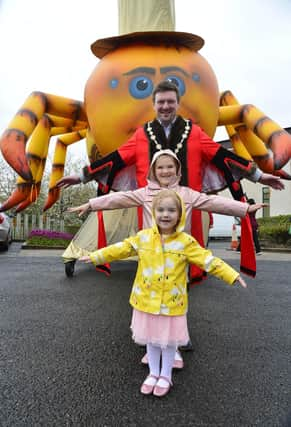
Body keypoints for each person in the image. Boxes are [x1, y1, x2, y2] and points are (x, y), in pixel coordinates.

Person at [57, 80, 284, 281]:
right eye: (161, 102)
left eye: (170, 102)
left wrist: (259, 176)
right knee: (149, 249)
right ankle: (149, 288)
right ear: (154, 105)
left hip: (186, 202)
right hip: (150, 202)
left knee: (183, 251)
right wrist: (81, 177)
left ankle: (181, 284)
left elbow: (223, 156)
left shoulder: (194, 132)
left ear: (177, 104)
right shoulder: (141, 134)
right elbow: (114, 160)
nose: (165, 106)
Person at [67, 149, 266, 367]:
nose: (165, 171)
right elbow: (118, 199)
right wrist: (91, 204)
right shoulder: (144, 193)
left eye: (170, 166)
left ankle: (174, 348)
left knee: (174, 305)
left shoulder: (187, 194)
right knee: (150, 305)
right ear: (153, 170)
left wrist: (245, 208)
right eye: (160, 167)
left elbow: (213, 202)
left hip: (178, 256)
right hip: (150, 259)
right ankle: (152, 345)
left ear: (178, 170)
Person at [79, 189, 248, 397]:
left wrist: (231, 274)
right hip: (146, 301)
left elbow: (208, 260)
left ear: (180, 214)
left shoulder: (186, 242)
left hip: (171, 303)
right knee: (150, 339)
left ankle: (165, 375)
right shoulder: (143, 238)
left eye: (171, 210)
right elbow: (120, 248)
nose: (165, 214)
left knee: (168, 343)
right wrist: (96, 256)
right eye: (160, 210)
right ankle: (153, 373)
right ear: (153, 212)